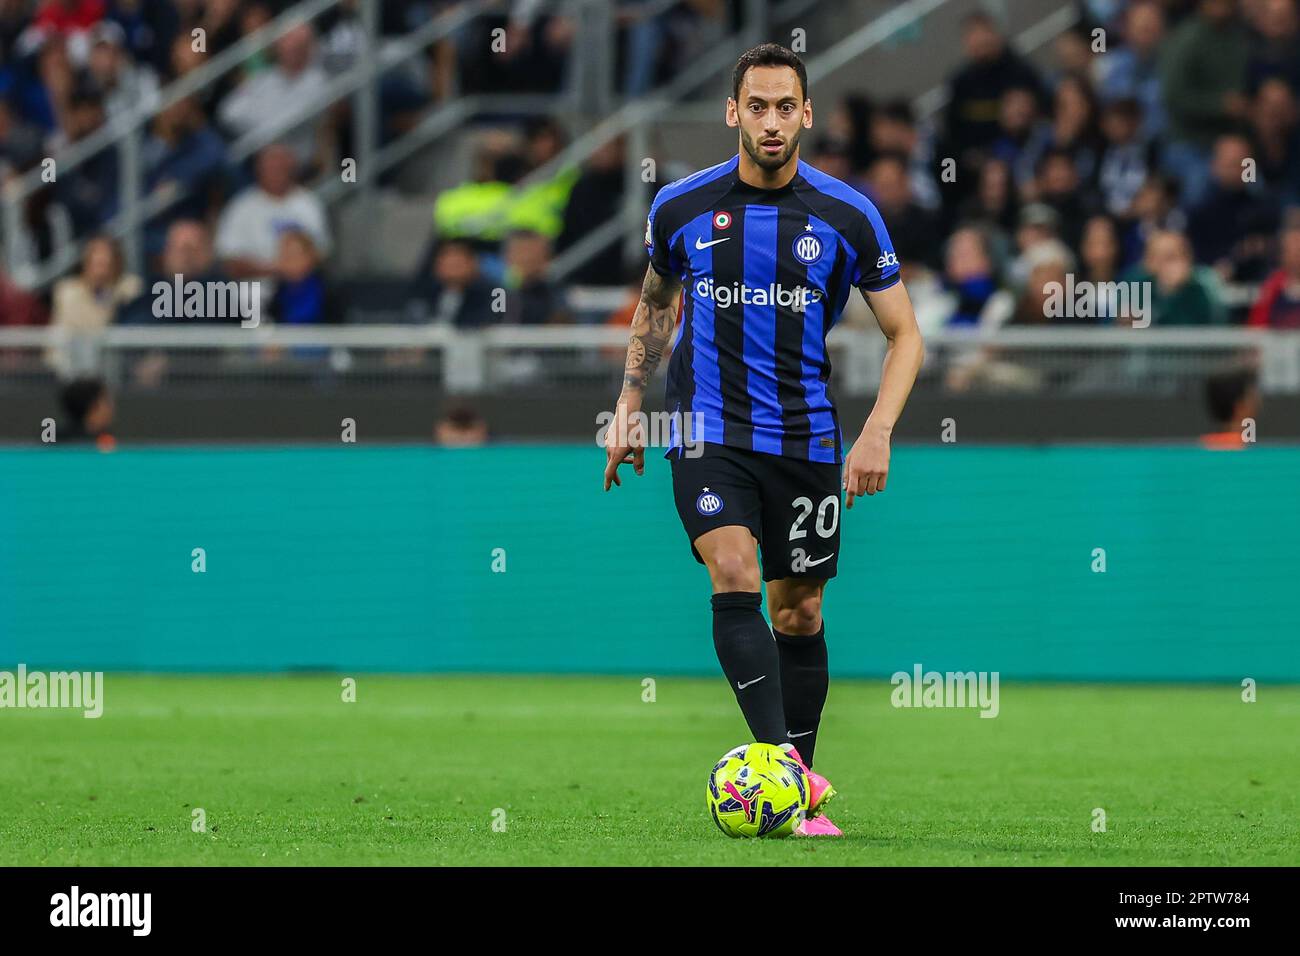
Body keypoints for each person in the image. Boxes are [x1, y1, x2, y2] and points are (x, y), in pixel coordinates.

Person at [602, 44, 925, 838]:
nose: (772, 121)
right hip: (708, 431)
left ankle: (795, 773)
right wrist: (630, 401)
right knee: (734, 567)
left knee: (802, 612)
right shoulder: (679, 207)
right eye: (758, 106)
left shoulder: (848, 215)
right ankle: (786, 779)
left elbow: (906, 335)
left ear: (807, 115)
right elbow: (653, 306)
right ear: (733, 113)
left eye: (786, 107)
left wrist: (877, 433)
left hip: (806, 439)